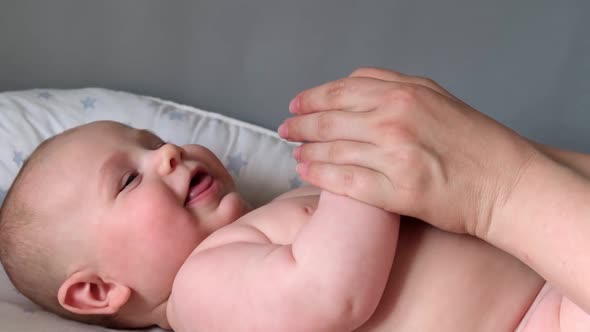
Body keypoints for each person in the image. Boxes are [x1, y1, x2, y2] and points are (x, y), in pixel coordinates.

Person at [0, 120, 563, 332]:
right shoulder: (199, 291)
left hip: (544, 267)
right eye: (127, 180)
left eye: (150, 140)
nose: (168, 151)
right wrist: (357, 163)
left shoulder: (279, 209)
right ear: (98, 291)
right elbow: (328, 294)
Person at [279, 67, 590, 331]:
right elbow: (324, 294)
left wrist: (493, 155)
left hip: (551, 279)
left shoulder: (272, 213)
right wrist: (496, 187)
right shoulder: (229, 276)